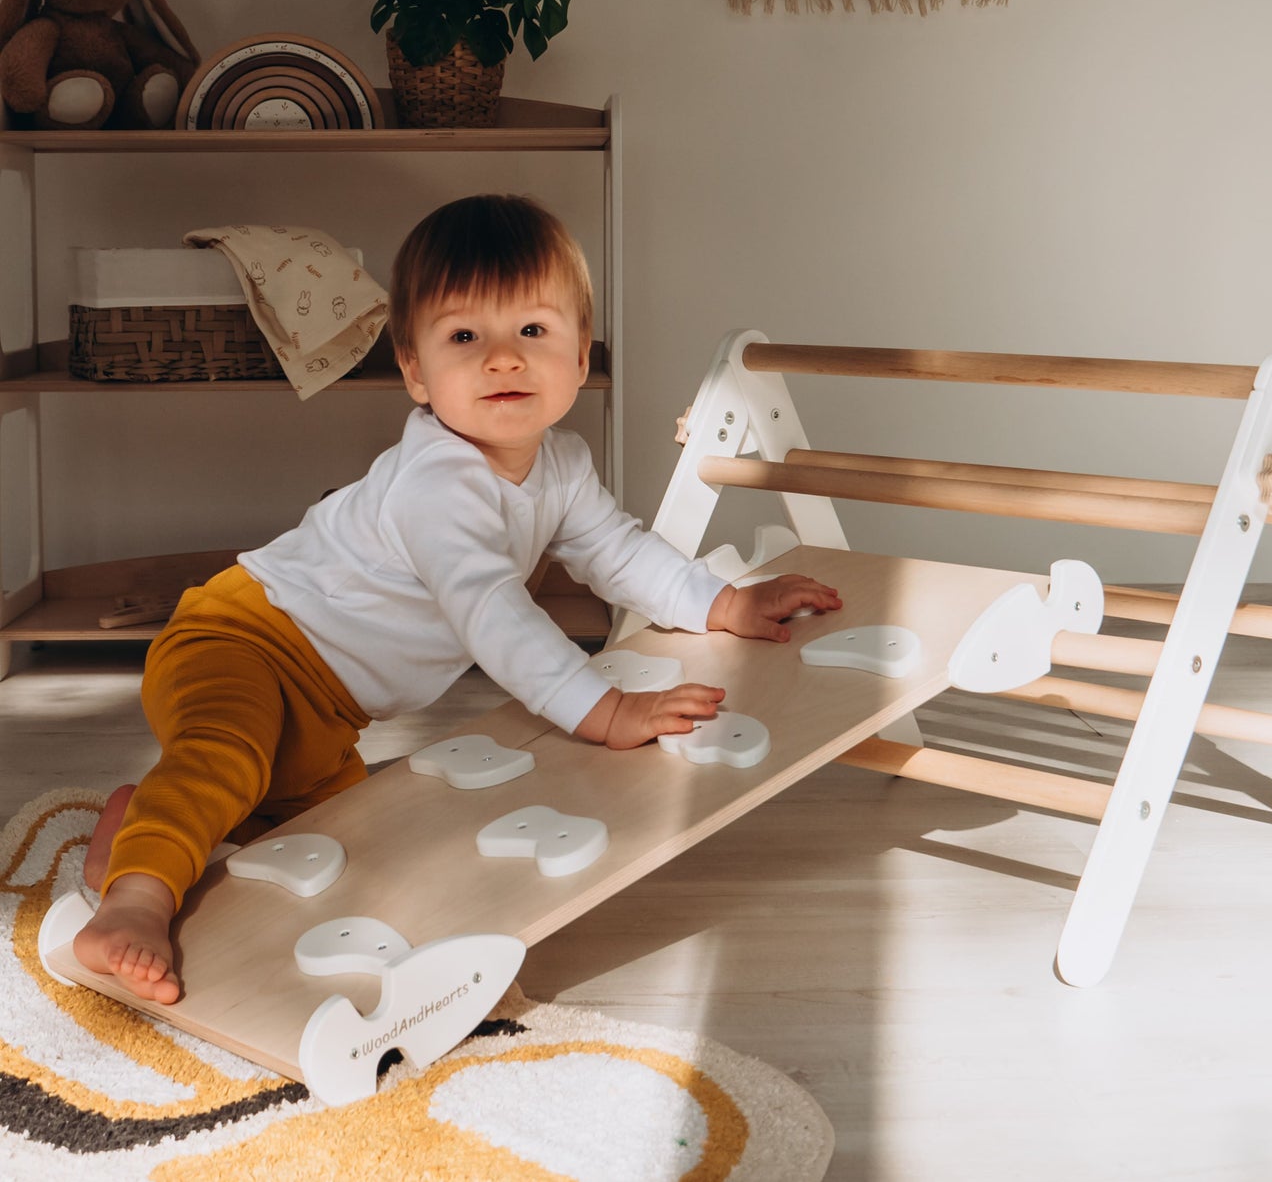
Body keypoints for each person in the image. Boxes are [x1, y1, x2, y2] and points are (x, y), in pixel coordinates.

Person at [72, 194, 841, 1004]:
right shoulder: (439, 481)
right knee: (225, 756)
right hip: (245, 640)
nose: (503, 359)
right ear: (415, 372)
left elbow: (619, 552)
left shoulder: (563, 466)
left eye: (533, 332)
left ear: (581, 358)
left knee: (350, 840)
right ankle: (135, 902)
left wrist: (725, 604)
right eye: (465, 336)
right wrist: (604, 710)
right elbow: (494, 614)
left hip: (332, 713)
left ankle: (134, 832)